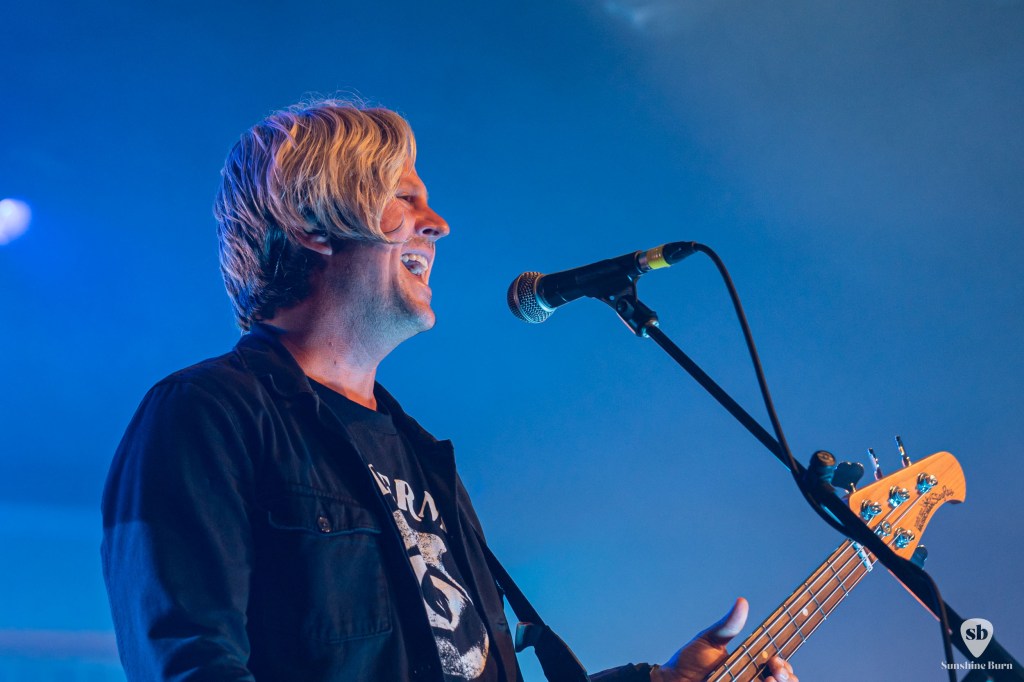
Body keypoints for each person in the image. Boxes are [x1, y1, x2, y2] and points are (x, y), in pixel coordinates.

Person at [101, 100, 796, 682]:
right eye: (404, 197)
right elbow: (191, 666)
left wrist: (660, 681)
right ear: (311, 222)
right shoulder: (207, 415)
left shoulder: (418, 454)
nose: (438, 224)